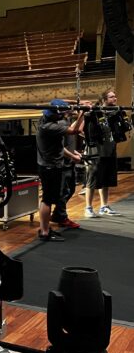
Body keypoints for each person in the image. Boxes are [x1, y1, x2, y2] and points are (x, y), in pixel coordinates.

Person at [36, 100, 86, 241]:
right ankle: (45, 232)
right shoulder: (49, 127)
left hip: (49, 165)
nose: (65, 115)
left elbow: (59, 148)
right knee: (47, 199)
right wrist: (83, 112)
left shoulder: (45, 119)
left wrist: (76, 103)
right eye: (63, 114)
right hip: (50, 167)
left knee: (50, 198)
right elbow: (76, 130)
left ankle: (44, 228)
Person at [83, 88, 122, 217]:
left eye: (115, 96)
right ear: (104, 99)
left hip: (109, 150)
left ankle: (103, 206)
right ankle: (88, 207)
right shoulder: (94, 112)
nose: (114, 99)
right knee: (92, 180)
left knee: (106, 180)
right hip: (96, 152)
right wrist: (90, 139)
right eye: (111, 97)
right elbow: (79, 128)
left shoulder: (113, 113)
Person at [50, 105, 83, 229]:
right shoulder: (60, 124)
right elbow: (59, 147)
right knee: (63, 192)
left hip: (69, 162)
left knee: (71, 190)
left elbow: (73, 136)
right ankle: (62, 217)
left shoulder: (67, 122)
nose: (72, 108)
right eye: (69, 107)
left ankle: (58, 214)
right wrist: (73, 156)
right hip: (62, 164)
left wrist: (74, 153)